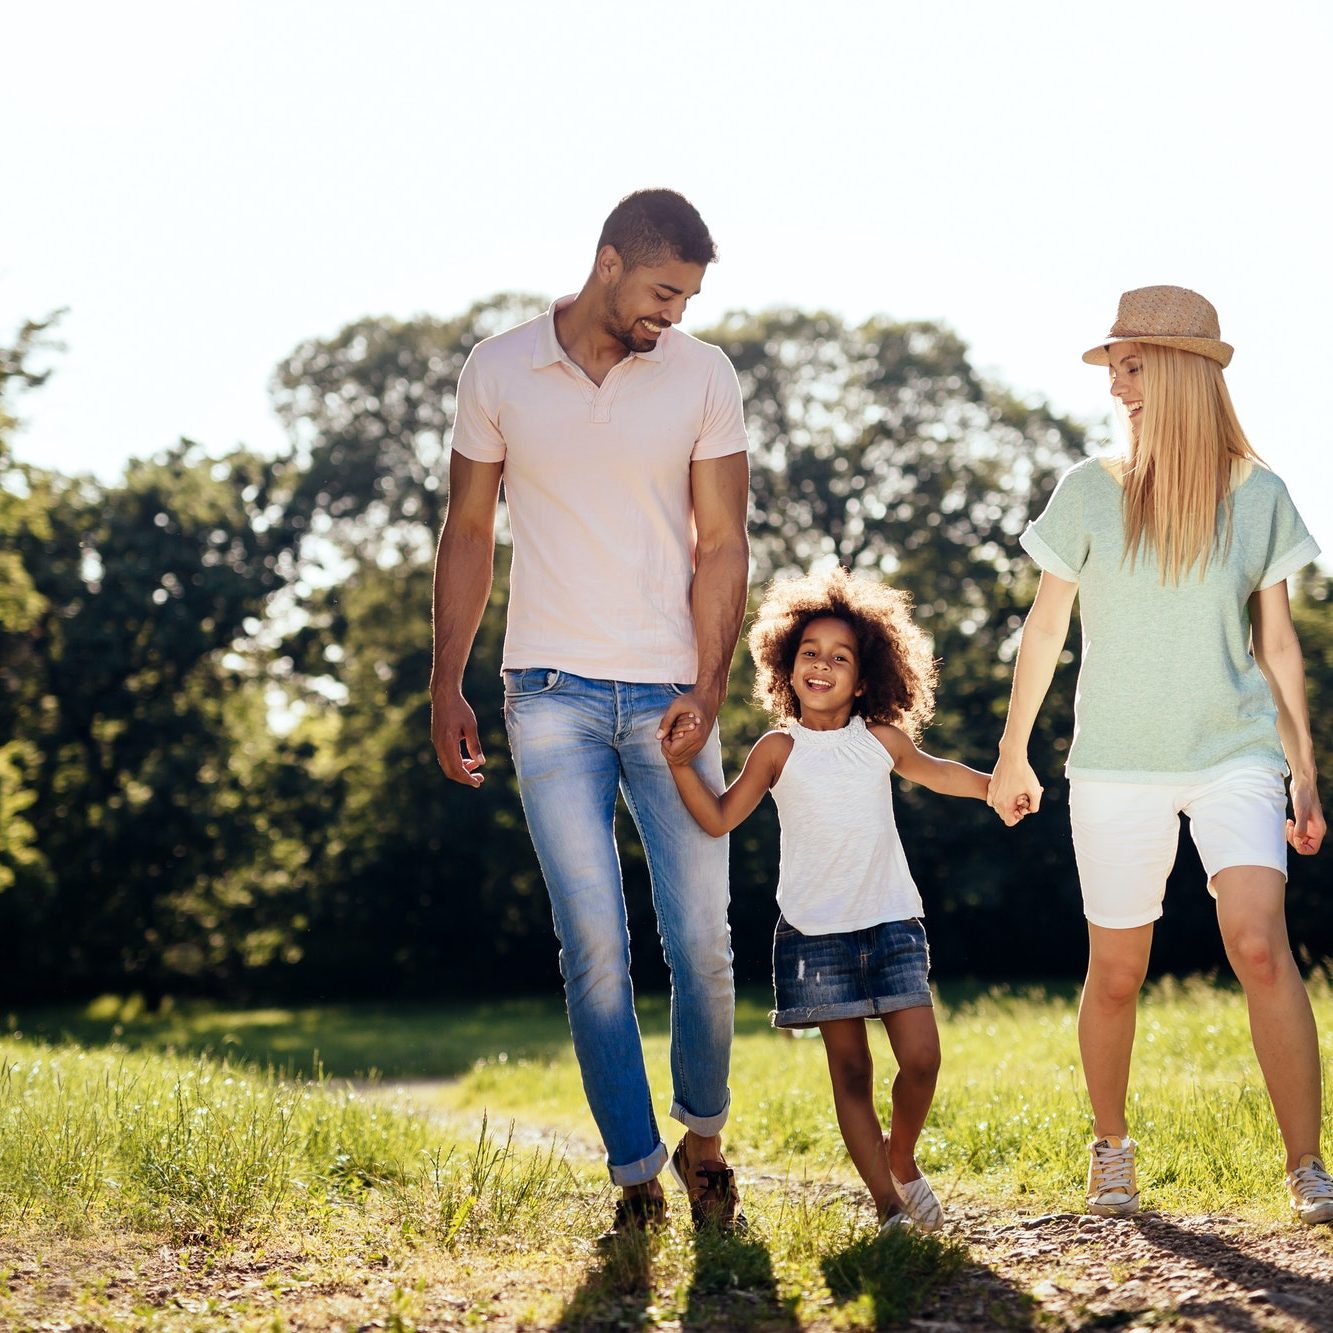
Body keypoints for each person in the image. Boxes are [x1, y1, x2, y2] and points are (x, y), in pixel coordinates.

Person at [430, 189, 751, 1238]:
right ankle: (634, 1171)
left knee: (700, 936)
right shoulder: (499, 368)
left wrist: (708, 689)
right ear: (609, 261)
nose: (673, 314)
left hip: (672, 701)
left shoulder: (704, 375)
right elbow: (468, 530)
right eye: (663, 292)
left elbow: (721, 543)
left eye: (688, 298)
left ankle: (703, 1131)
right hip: (550, 697)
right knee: (594, 944)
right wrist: (448, 679)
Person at [988, 286, 1331, 1226]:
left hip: (1234, 750)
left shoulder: (1258, 494)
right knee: (1116, 970)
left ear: (1184, 372)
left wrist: (1302, 766)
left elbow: (1278, 643)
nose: (1119, 389)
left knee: (1259, 943)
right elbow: (1045, 622)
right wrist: (1012, 751)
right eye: (1116, 370)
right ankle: (1110, 1149)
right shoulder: (1087, 489)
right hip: (1114, 762)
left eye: (1133, 368)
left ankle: (1305, 1165)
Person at [666, 566, 991, 1232]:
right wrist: (676, 765)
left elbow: (939, 772)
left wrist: (996, 786)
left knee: (922, 1058)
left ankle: (900, 1161)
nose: (821, 665)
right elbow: (721, 817)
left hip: (890, 923)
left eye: (839, 657)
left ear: (865, 676)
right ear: (786, 666)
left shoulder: (878, 741)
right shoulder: (776, 748)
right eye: (809, 653)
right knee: (850, 1073)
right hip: (815, 936)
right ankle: (886, 1206)